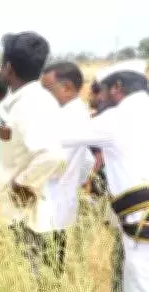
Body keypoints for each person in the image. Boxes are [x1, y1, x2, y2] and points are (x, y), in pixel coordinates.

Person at [60, 60, 149, 292]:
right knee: (134, 285)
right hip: (136, 220)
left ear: (117, 89)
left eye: (101, 90)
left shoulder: (118, 117)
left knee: (142, 289)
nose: (98, 96)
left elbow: (62, 135)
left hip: (141, 220)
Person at [0, 32, 66, 237]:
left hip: (26, 220)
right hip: (19, 215)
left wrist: (22, 185)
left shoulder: (30, 104)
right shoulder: (28, 100)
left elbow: (52, 155)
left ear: (9, 67)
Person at [25, 61, 95, 274]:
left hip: (48, 202)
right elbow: (87, 161)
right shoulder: (73, 113)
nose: (43, 96)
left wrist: (24, 177)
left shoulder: (69, 118)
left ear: (67, 88)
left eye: (48, 89)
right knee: (49, 266)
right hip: (57, 202)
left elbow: (54, 163)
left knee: (42, 271)